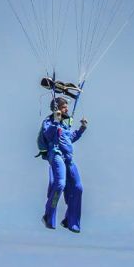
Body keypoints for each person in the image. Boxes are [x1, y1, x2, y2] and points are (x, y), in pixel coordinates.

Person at [39, 96, 88, 233]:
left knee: (78, 187)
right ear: (57, 109)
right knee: (60, 184)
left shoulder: (64, 124)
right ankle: (48, 216)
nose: (67, 109)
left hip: (68, 158)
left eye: (67, 107)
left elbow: (69, 138)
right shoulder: (49, 122)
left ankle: (70, 221)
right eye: (64, 107)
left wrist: (82, 129)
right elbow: (48, 135)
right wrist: (55, 121)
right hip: (56, 155)